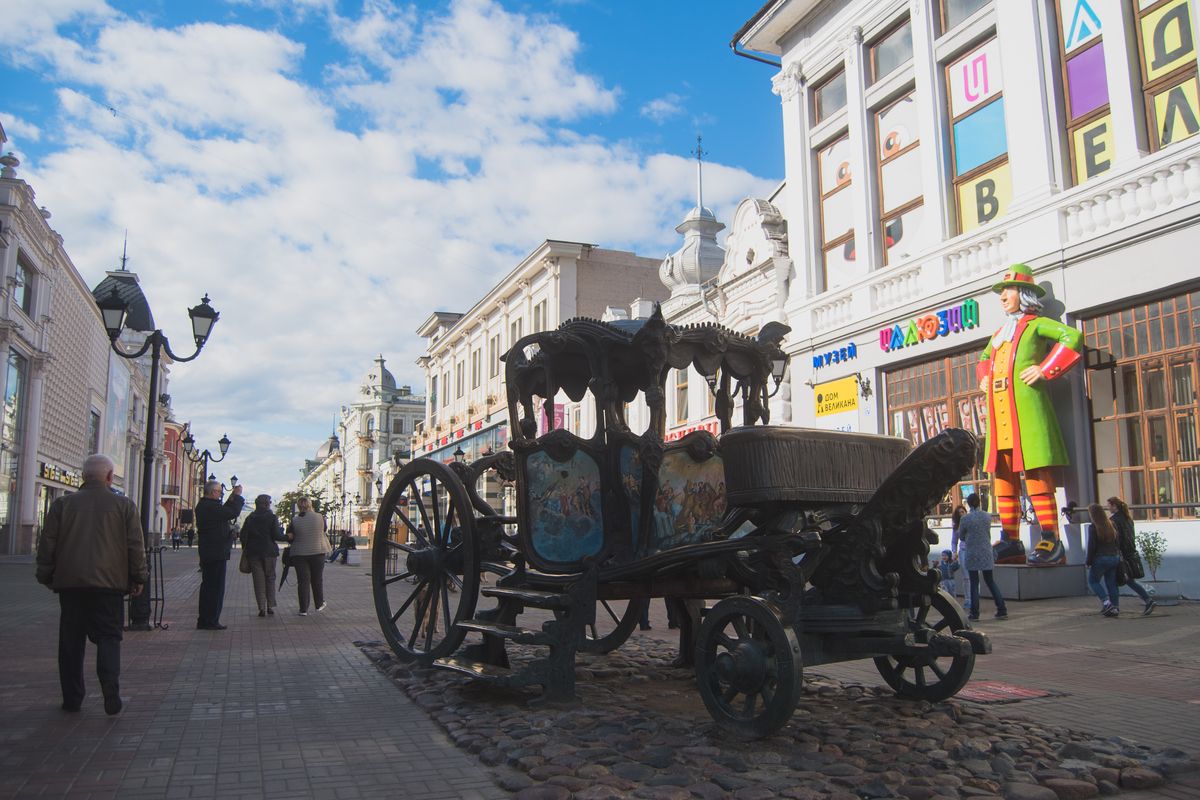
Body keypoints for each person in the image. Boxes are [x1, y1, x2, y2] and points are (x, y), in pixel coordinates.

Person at [976, 263, 1084, 566]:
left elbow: (1071, 337)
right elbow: (985, 359)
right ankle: (1011, 540)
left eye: (1007, 290)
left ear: (1023, 294)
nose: (1002, 297)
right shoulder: (1000, 333)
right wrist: (984, 376)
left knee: (1036, 474)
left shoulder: (1036, 325)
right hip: (1000, 417)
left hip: (1027, 415)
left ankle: (1051, 538)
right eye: (1001, 291)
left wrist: (1045, 369)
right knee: (1004, 478)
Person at [35, 454, 147, 715]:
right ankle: (110, 688)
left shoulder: (63, 505)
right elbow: (135, 546)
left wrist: (46, 575)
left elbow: (47, 543)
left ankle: (72, 698)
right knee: (109, 637)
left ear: (83, 476)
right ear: (109, 477)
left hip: (71, 585)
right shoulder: (124, 506)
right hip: (109, 586)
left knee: (71, 641)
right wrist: (138, 577)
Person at [195, 479, 245, 630]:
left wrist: (231, 498)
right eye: (219, 492)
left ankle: (205, 619)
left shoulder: (206, 506)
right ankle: (210, 620)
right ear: (213, 492)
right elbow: (231, 512)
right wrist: (236, 496)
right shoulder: (209, 506)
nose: (221, 494)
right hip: (215, 552)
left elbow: (224, 512)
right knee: (215, 588)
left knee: (209, 586)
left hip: (210, 551)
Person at [956, 492, 1008, 620]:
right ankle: (1002, 609)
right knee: (990, 581)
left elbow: (961, 536)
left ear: (967, 504)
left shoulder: (965, 519)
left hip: (972, 552)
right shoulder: (987, 516)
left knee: (974, 582)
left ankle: (974, 613)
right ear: (979, 502)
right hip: (986, 551)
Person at [240, 494, 286, 617]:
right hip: (269, 552)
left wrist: (246, 547)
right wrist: (289, 537)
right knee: (270, 578)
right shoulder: (272, 517)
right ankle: (270, 605)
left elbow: (243, 535)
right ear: (266, 504)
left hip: (253, 553)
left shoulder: (250, 518)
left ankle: (261, 608)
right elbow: (277, 535)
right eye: (269, 502)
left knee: (258, 580)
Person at [1108, 496, 1156, 616]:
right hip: (1130, 553)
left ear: (1114, 506)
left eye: (1109, 505)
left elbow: (1116, 539)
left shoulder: (1113, 520)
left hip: (1120, 554)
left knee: (1115, 580)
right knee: (1128, 580)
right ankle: (1148, 600)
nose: (1108, 508)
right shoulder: (1128, 518)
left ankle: (1115, 607)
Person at [286, 496, 329, 615]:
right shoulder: (320, 517)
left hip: (299, 553)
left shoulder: (294, 520)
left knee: (303, 581)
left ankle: (303, 609)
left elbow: (290, 535)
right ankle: (319, 604)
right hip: (317, 551)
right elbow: (324, 529)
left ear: (299, 506)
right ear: (310, 505)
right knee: (317, 578)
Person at [1085, 502, 1122, 617]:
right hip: (1114, 557)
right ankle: (1115, 607)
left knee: (1093, 581)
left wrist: (1088, 561)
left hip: (1101, 558)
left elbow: (1092, 546)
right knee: (1111, 583)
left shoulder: (1093, 527)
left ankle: (1106, 603)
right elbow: (1118, 542)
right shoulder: (1112, 524)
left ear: (1093, 514)